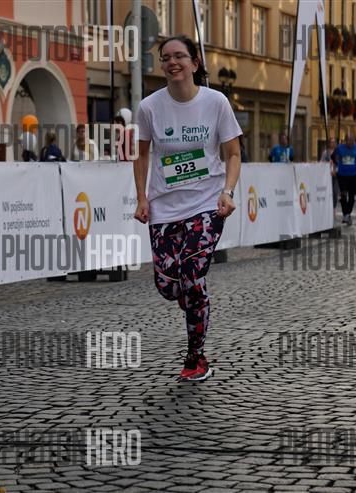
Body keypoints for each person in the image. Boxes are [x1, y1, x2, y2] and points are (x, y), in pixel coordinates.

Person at [133, 35, 241, 382]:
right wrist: (141, 198)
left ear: (195, 63)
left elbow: (233, 153)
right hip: (164, 208)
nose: (172, 62)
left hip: (206, 204)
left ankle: (196, 358)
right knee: (168, 286)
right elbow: (141, 155)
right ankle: (187, 293)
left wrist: (227, 191)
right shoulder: (149, 107)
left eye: (179, 56)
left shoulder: (216, 102)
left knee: (192, 276)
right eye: (165, 57)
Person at [330, 132, 356, 226]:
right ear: (345, 140)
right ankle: (345, 214)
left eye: (352, 140)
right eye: (349, 140)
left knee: (352, 196)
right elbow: (333, 157)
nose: (350, 142)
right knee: (343, 195)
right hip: (342, 175)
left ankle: (348, 213)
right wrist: (336, 165)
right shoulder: (339, 148)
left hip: (353, 175)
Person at [320, 137, 338, 216]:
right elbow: (321, 162)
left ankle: (334, 208)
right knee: (327, 191)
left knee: (335, 192)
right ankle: (327, 207)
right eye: (331, 142)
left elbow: (340, 163)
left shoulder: (338, 152)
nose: (333, 144)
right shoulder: (326, 153)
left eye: (334, 142)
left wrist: (336, 171)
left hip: (336, 175)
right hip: (327, 175)